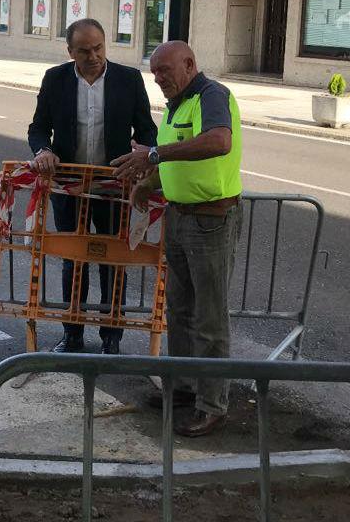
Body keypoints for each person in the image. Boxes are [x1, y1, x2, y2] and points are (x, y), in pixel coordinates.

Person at [112, 41, 242, 438]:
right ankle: (184, 388)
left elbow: (219, 141)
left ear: (189, 64)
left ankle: (213, 405)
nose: (159, 79)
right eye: (155, 73)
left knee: (209, 317)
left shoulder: (211, 96)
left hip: (210, 221)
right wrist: (148, 184)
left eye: (165, 71)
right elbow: (174, 161)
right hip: (180, 218)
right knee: (180, 311)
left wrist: (153, 156)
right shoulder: (176, 106)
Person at [27, 18, 157, 355]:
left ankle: (111, 338)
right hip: (70, 188)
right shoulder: (55, 79)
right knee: (74, 261)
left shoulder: (128, 79)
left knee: (112, 260)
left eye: (98, 48)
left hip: (114, 188)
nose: (93, 56)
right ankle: (72, 335)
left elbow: (147, 131)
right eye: (84, 51)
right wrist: (43, 151)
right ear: (70, 51)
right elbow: (38, 128)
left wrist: (143, 156)